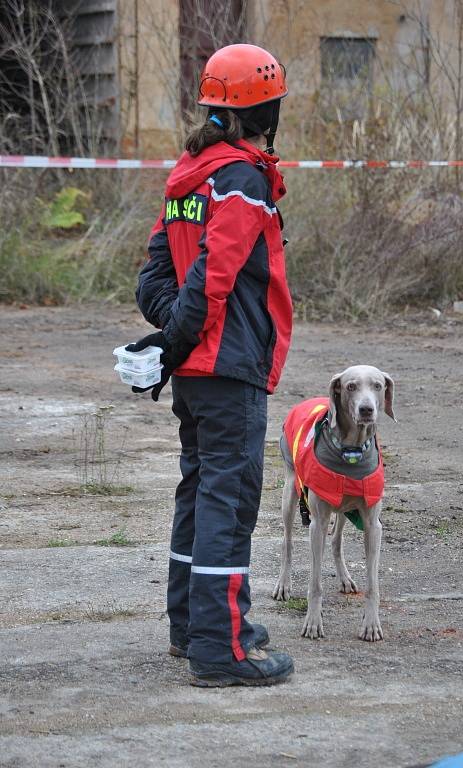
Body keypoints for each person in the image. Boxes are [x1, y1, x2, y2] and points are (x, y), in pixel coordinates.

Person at [127, 44, 294, 687]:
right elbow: (212, 280)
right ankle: (221, 651)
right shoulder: (243, 178)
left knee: (198, 493)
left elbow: (154, 280)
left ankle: (191, 629)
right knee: (229, 499)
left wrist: (172, 339)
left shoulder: (190, 173)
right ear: (267, 108)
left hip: (198, 371)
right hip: (228, 367)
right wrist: (176, 342)